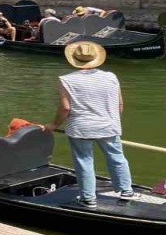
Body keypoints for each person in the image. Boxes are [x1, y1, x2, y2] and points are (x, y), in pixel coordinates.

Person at [43, 42, 135, 208]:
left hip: (81, 127)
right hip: (108, 125)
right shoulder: (111, 77)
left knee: (84, 161)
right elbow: (119, 104)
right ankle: (126, 190)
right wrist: (111, 122)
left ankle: (88, 198)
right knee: (117, 158)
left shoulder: (66, 80)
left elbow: (65, 108)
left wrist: (53, 125)